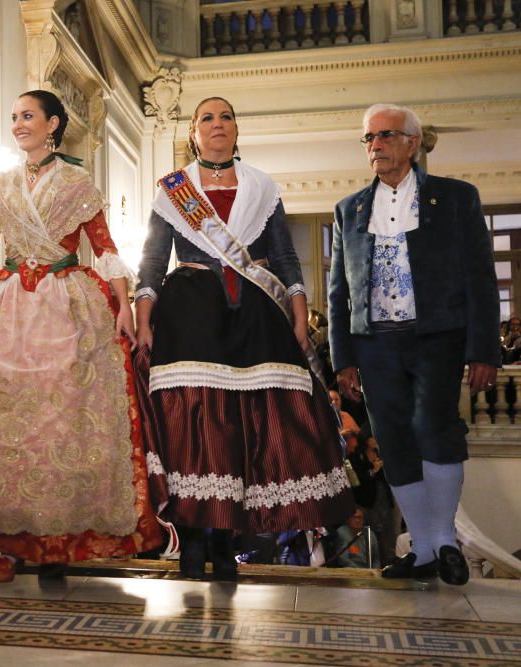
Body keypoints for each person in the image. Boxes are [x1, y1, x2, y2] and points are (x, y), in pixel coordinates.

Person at [0, 90, 161, 583]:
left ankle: (57, 541)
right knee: (3, 427)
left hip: (64, 306)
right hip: (5, 310)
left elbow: (105, 247)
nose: (18, 125)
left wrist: (125, 307)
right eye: (14, 118)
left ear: (53, 125)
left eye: (27, 117)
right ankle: (9, 544)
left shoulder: (77, 182)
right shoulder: (1, 186)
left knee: (57, 424)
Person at [133, 96, 353, 581]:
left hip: (254, 312)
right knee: (195, 421)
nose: (217, 124)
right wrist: (143, 319)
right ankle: (193, 537)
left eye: (226, 116)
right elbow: (151, 262)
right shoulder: (173, 192)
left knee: (245, 423)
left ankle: (227, 538)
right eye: (207, 118)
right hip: (189, 310)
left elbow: (286, 259)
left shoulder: (262, 188)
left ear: (236, 130)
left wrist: (298, 316)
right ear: (193, 132)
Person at [328, 103, 500, 586]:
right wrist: (344, 358)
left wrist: (484, 348)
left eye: (385, 136)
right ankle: (423, 549)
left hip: (438, 337)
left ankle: (444, 539)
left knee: (435, 428)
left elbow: (481, 279)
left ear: (412, 142)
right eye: (368, 138)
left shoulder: (456, 198)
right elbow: (338, 291)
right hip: (375, 344)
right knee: (396, 440)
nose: (375, 146)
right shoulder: (349, 210)